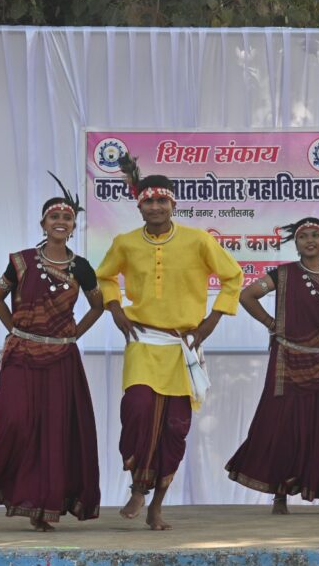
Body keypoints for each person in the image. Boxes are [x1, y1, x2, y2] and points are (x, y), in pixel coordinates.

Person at [95, 154, 243, 530]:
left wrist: (211, 321)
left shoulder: (198, 241)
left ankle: (156, 504)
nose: (156, 207)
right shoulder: (125, 243)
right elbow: (104, 276)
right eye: (149, 202)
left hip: (182, 345)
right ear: (139, 206)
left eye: (162, 201)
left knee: (175, 427)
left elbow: (233, 276)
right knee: (138, 409)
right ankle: (137, 487)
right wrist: (115, 308)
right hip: (143, 340)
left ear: (173, 204)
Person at [0, 174, 103, 531]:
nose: (61, 222)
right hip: (21, 354)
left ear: (73, 226)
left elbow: (98, 306)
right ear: (43, 224)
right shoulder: (21, 262)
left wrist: (73, 335)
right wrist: (15, 330)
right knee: (14, 422)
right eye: (54, 217)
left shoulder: (81, 267)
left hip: (62, 358)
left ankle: (42, 509)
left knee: (54, 432)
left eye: (67, 218)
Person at [225, 217, 319, 513]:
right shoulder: (282, 274)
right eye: (304, 236)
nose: (310, 241)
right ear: (296, 243)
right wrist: (271, 324)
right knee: (282, 426)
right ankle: (280, 494)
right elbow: (247, 296)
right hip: (287, 359)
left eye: (316, 235)